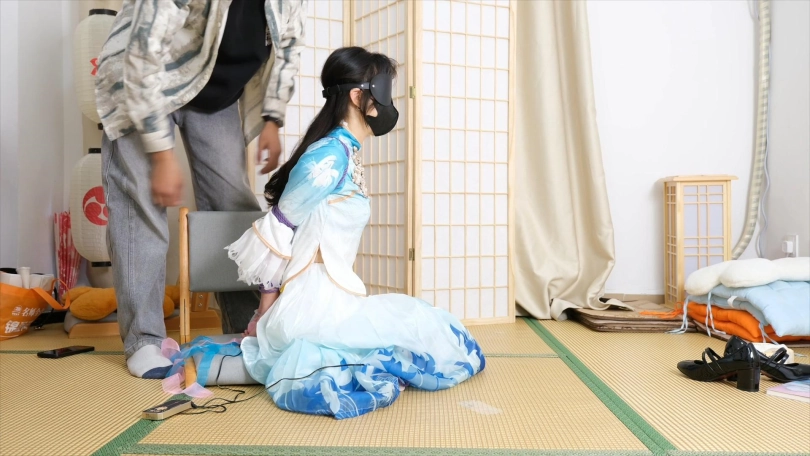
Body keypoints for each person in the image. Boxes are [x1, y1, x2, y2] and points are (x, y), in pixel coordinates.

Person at [221, 47, 485, 419]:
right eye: (383, 88)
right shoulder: (328, 157)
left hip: (336, 294)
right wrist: (263, 316)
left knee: (433, 326)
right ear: (359, 96)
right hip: (312, 303)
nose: (387, 100)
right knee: (421, 332)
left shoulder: (345, 151)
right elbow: (280, 228)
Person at [94, 0, 306, 379]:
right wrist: (161, 155)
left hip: (210, 89)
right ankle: (144, 339)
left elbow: (289, 42)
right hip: (142, 75)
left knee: (232, 208)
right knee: (141, 200)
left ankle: (248, 325)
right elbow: (142, 52)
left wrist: (273, 118)